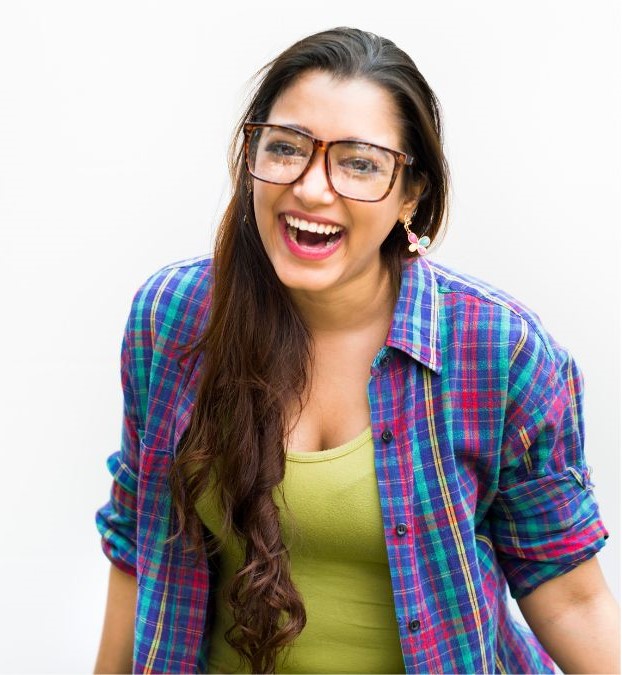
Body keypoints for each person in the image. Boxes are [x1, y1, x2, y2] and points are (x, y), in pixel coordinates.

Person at [93, 27, 619, 675]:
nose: (313, 188)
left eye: (360, 163)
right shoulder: (172, 317)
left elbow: (572, 598)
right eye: (286, 147)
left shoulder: (498, 349)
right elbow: (136, 546)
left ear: (411, 194)